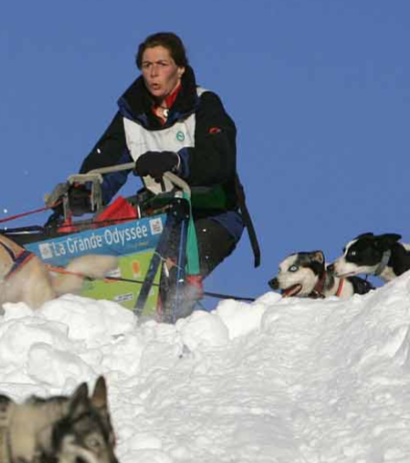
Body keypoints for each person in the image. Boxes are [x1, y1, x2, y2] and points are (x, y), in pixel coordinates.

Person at [46, 32, 260, 313]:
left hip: (213, 213)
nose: (153, 73)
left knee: (170, 268)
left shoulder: (204, 104)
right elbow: (105, 165)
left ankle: (165, 328)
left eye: (162, 64)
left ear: (180, 68)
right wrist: (79, 197)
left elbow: (220, 159)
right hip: (160, 211)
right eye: (147, 65)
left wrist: (175, 161)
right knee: (97, 244)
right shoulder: (132, 113)